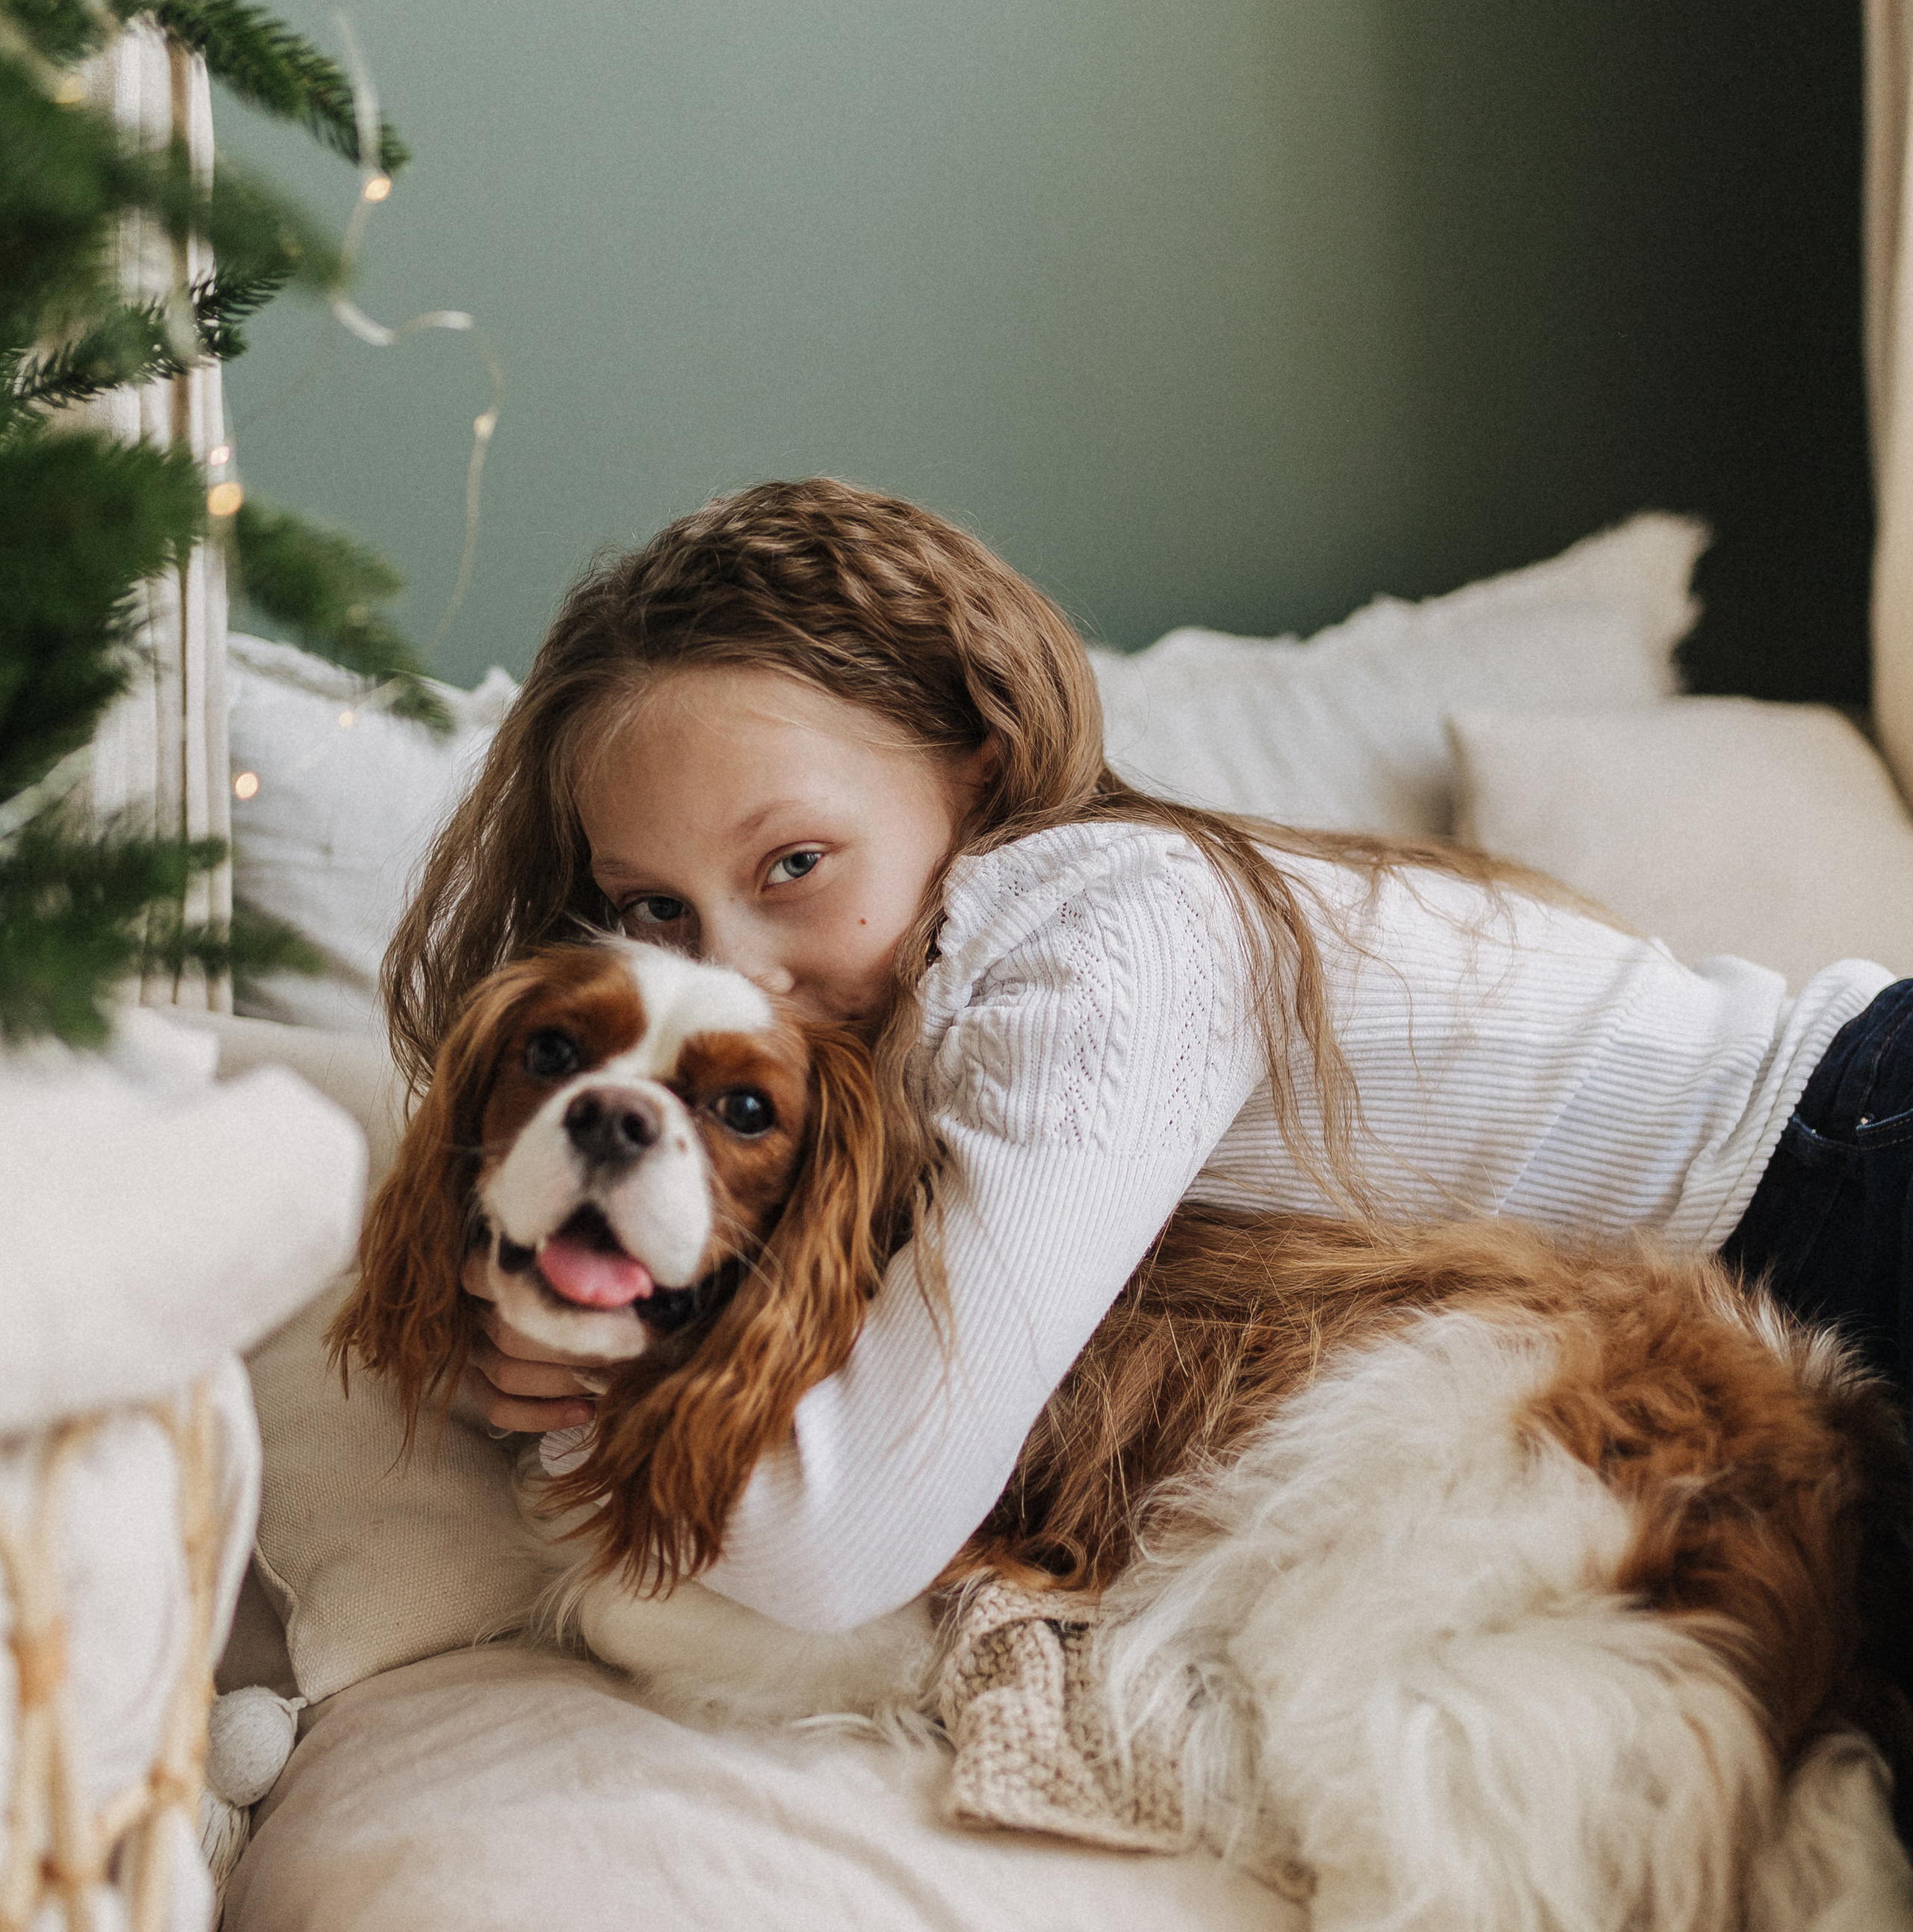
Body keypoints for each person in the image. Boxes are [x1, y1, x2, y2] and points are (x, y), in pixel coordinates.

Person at [385, 477, 1909, 1638]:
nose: (729, 972)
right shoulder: (882, 1051)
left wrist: (605, 1357)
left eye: (791, 863)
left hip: (1848, 1178)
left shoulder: (1097, 943)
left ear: (972, 769)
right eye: (654, 907)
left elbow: (840, 1536)